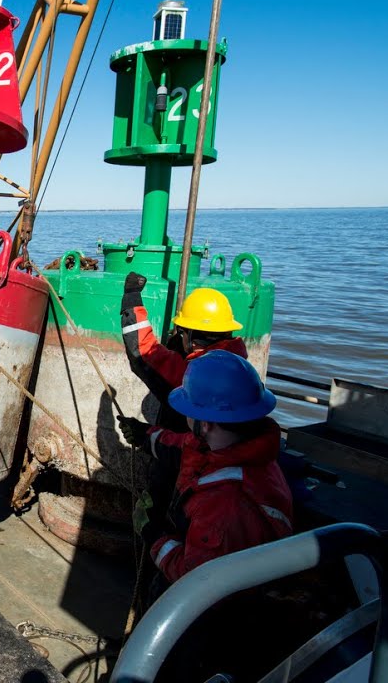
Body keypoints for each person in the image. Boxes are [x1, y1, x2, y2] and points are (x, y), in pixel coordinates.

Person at [116, 349, 295, 683]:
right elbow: (184, 445)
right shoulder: (244, 448)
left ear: (207, 422)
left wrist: (153, 535)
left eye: (190, 412)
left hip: (215, 619)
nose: (188, 420)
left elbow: (195, 580)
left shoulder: (226, 501)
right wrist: (146, 435)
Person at [120, 271, 247, 432]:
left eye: (183, 332)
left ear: (192, 335)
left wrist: (132, 299)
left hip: (187, 450)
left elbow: (142, 351)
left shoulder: (191, 376)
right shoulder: (240, 365)